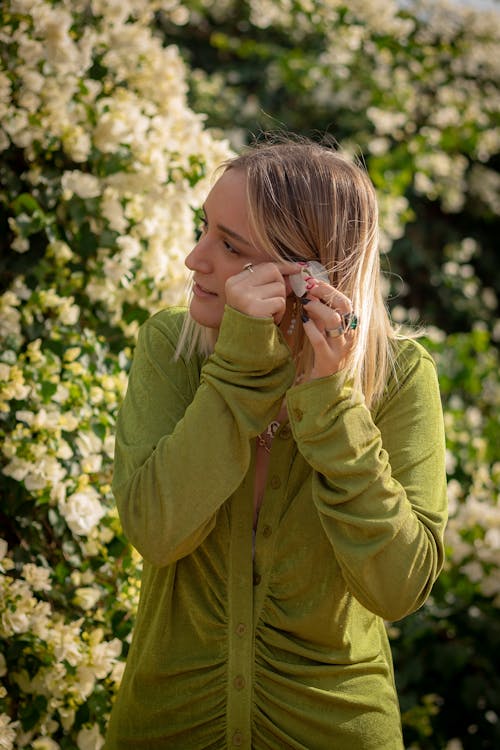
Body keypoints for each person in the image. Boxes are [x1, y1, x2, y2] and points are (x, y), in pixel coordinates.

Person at [104, 137, 447, 750]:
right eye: (203, 229)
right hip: (167, 725)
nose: (192, 259)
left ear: (310, 274)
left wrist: (333, 404)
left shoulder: (400, 380)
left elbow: (398, 589)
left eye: (229, 244)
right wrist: (237, 371)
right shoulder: (168, 348)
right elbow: (156, 529)